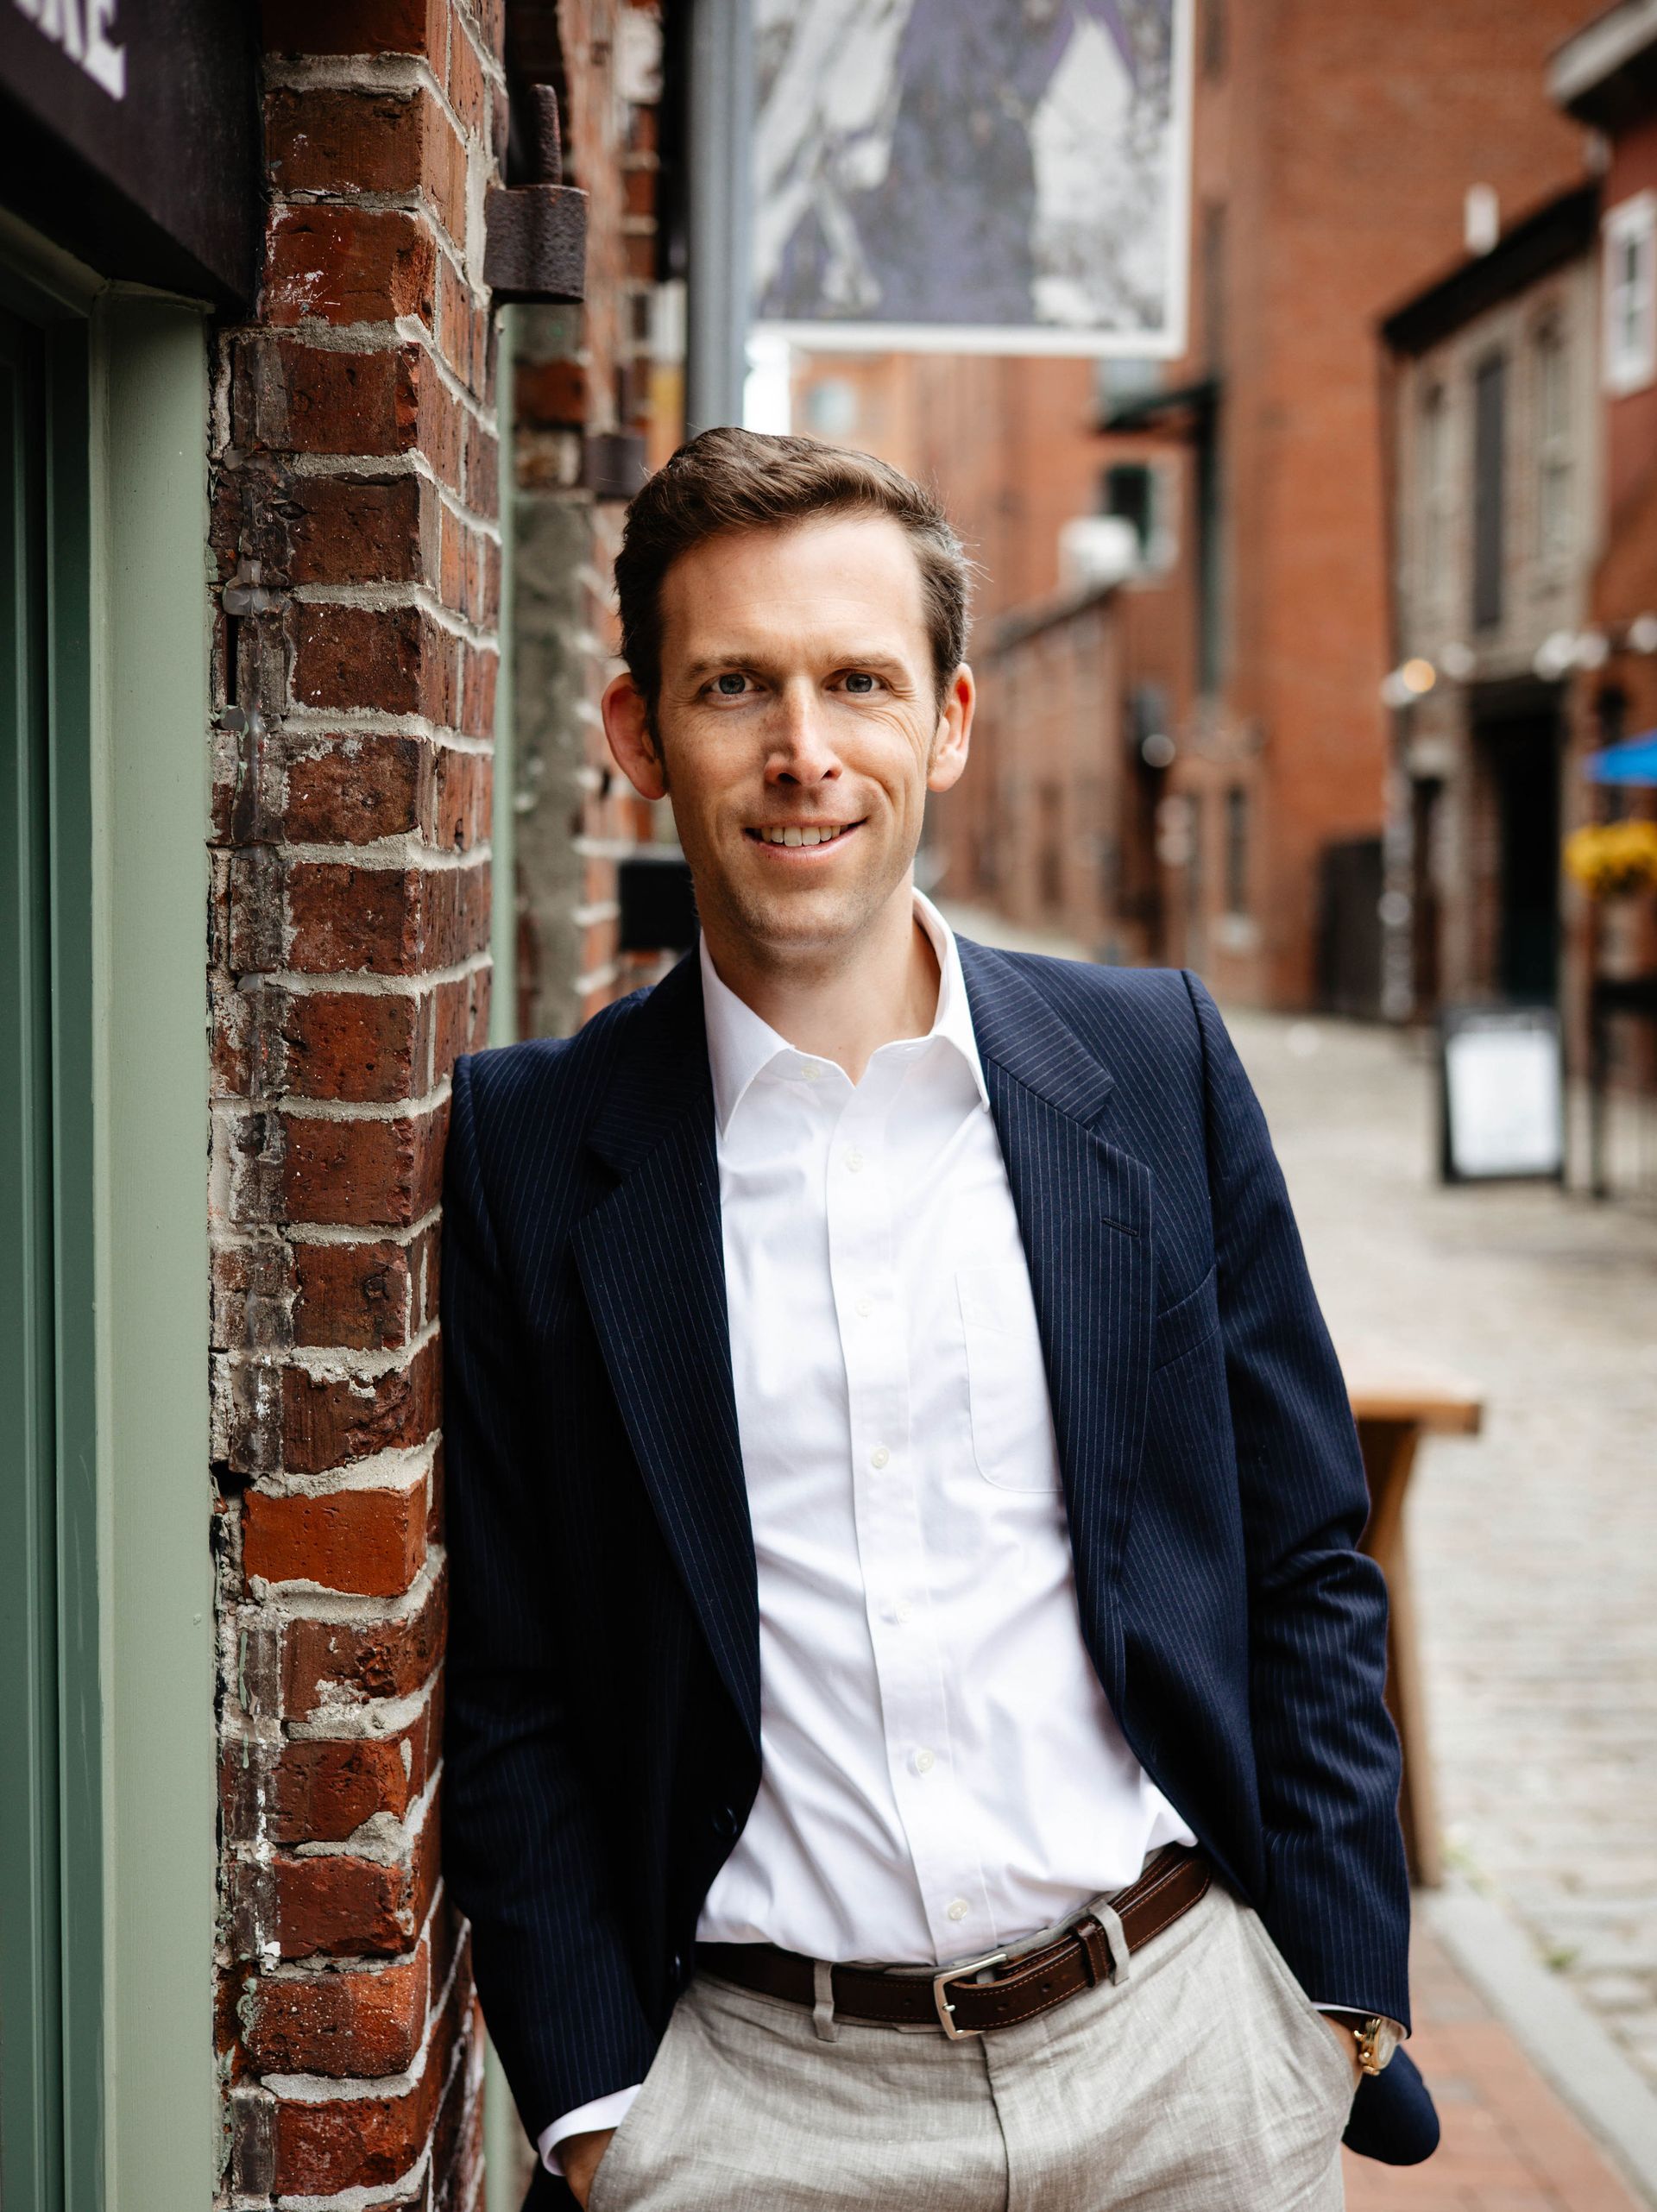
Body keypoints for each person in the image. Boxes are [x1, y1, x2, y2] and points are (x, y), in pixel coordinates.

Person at [440, 429, 1438, 2211]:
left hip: (1184, 2068)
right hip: (759, 2117)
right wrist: (599, 2114)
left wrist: (1336, 1994)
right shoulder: (533, 1153)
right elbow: (514, 1682)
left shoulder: (1150, 1068)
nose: (803, 750)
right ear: (634, 732)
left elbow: (1301, 1548)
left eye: (858, 682)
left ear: (951, 720)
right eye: (735, 684)